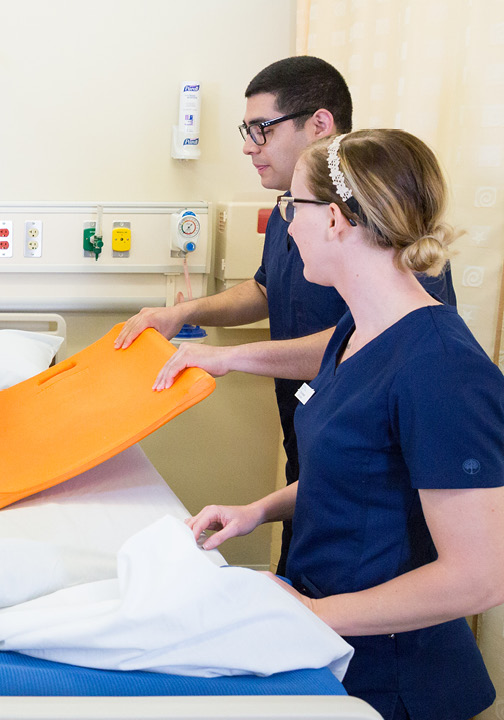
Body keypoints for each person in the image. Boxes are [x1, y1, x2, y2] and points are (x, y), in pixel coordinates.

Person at [186, 129, 504, 720]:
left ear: (334, 219)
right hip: (333, 648)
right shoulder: (355, 334)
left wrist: (310, 615)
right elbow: (357, 471)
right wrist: (257, 510)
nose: (287, 225)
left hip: (400, 682)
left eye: (293, 207)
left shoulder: (442, 368)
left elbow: (479, 579)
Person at [114, 56, 455, 575]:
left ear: (318, 124)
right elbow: (267, 288)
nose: (249, 146)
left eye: (260, 129)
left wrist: (228, 359)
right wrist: (179, 313)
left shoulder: (387, 235)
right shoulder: (291, 211)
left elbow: (369, 348)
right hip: (318, 435)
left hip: (375, 506)